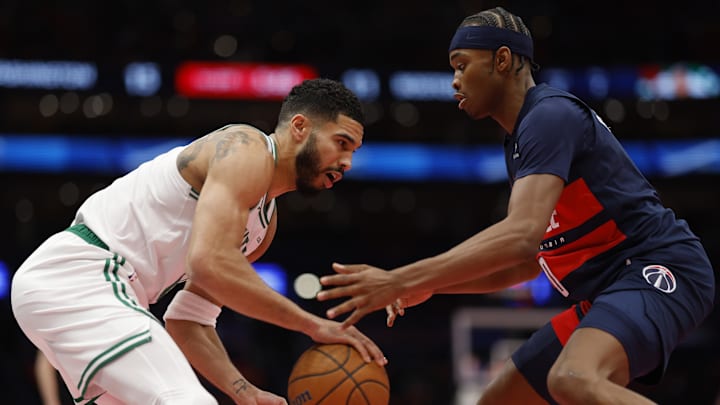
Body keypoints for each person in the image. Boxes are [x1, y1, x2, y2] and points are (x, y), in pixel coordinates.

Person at [317, 7, 715, 405]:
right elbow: (527, 263)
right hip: (609, 289)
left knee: (572, 378)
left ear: (502, 60)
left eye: (462, 65)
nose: (454, 80)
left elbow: (521, 237)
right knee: (502, 399)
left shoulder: (549, 115)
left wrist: (402, 279)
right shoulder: (523, 140)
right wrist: (429, 284)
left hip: (658, 269)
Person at [12, 78, 387, 405]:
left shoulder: (262, 226)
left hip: (106, 294)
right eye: (341, 143)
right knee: (187, 401)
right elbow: (207, 261)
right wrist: (311, 325)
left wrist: (240, 389)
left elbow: (188, 319)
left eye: (352, 151)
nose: (347, 162)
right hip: (82, 276)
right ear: (300, 127)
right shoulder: (245, 146)